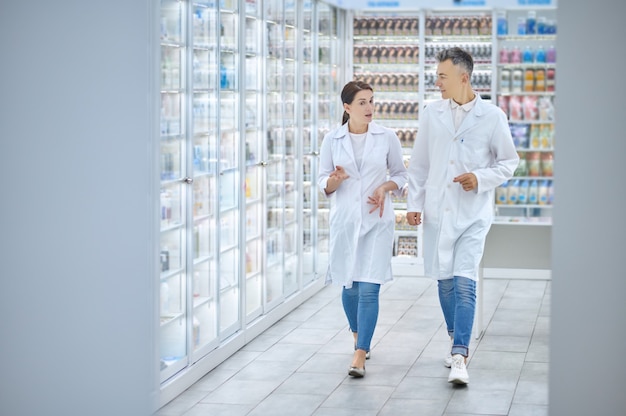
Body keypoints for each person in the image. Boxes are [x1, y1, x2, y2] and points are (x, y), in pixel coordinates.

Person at [405, 47, 519, 385]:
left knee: (465, 279)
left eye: (442, 76)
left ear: (463, 78)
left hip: (472, 214)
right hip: (438, 212)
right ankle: (457, 336)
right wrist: (414, 204)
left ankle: (459, 355)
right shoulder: (431, 114)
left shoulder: (493, 116)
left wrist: (479, 178)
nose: (436, 82)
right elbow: (420, 164)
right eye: (437, 75)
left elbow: (508, 163)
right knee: (445, 282)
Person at [318, 80, 407, 378]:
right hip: (345, 222)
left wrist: (384, 187)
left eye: (371, 101)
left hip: (377, 221)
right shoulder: (332, 140)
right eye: (362, 103)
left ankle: (360, 354)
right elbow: (322, 183)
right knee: (349, 285)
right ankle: (358, 334)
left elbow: (401, 175)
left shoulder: (387, 137)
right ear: (347, 107)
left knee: (370, 287)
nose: (370, 107)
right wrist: (335, 180)